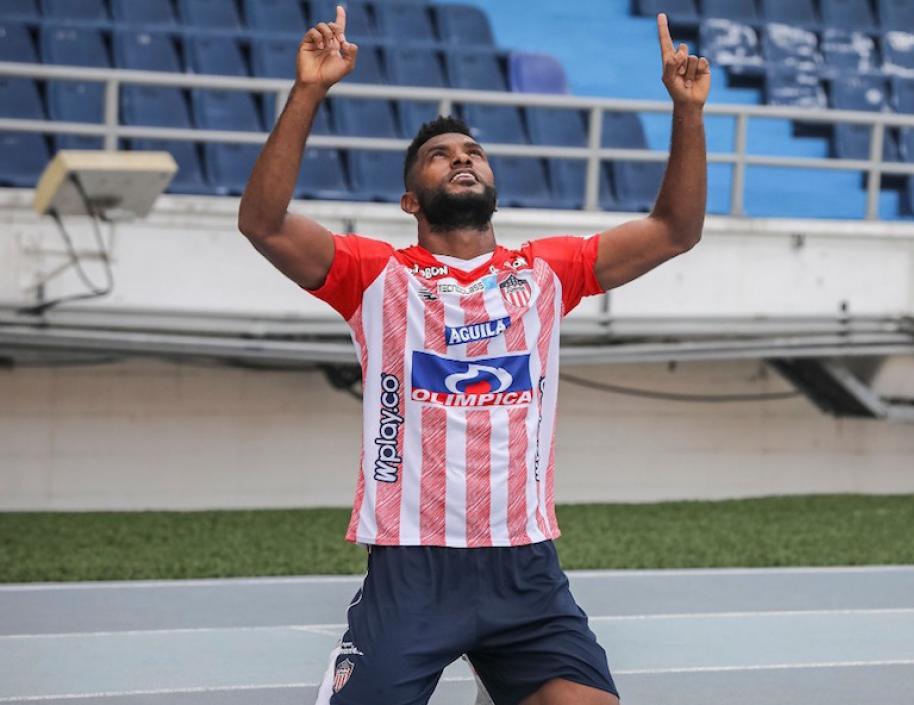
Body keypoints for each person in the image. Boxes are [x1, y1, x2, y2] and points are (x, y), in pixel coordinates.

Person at [235, 6, 710, 705]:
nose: (462, 157)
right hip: (414, 570)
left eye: (473, 152)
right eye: (440, 154)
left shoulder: (550, 271)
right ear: (410, 198)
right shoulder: (376, 276)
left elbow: (675, 229)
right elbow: (263, 223)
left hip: (526, 571)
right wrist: (308, 90)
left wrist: (688, 112)